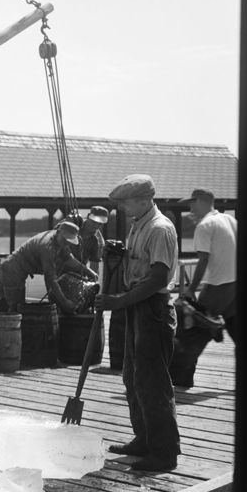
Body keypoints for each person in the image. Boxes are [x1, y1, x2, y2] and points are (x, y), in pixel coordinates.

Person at [95, 174, 179, 472]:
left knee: (152, 382)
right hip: (137, 307)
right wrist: (120, 255)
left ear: (144, 200)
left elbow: (158, 276)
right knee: (132, 377)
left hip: (153, 309)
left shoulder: (159, 229)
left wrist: (118, 301)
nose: (124, 206)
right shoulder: (138, 226)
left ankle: (164, 452)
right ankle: (144, 438)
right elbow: (138, 267)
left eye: (128, 201)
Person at [170, 188, 237, 388]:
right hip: (236, 285)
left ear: (202, 201)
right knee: (238, 331)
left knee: (191, 330)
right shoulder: (231, 221)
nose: (190, 208)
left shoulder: (205, 225)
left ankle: (181, 378)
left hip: (218, 285)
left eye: (192, 203)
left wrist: (192, 289)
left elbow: (203, 260)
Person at [0, 220, 97, 314]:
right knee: (14, 309)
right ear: (59, 232)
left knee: (13, 306)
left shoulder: (60, 242)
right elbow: (50, 279)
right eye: (65, 240)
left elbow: (69, 259)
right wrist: (65, 302)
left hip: (18, 270)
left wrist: (88, 271)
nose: (66, 244)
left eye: (69, 241)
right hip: (11, 269)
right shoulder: (47, 247)